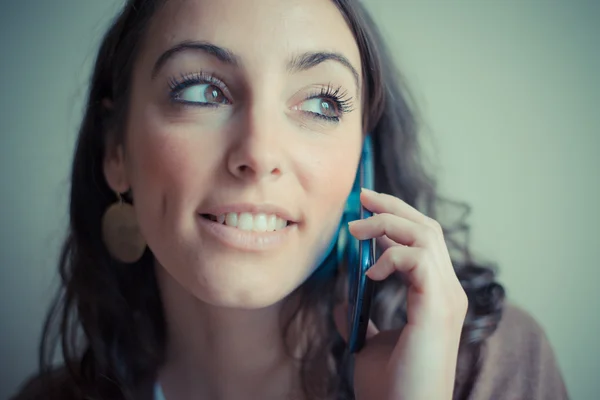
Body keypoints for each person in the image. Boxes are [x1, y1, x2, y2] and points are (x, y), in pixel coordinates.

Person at [12, 0, 569, 399]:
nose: (259, 153)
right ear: (116, 150)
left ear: (360, 162)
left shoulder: (489, 368)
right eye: (202, 91)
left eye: (322, 104)